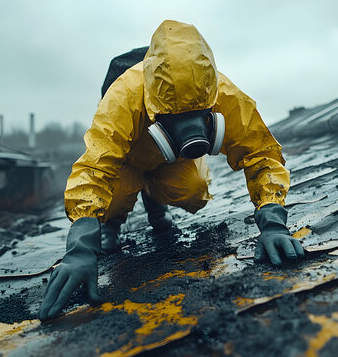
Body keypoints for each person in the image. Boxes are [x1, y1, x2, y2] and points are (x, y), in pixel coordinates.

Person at [39, 20, 304, 320]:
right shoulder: (124, 94)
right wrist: (81, 244)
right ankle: (112, 221)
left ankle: (154, 197)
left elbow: (262, 153)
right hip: (126, 165)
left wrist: (272, 222)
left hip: (170, 162)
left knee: (193, 189)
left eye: (198, 115)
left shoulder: (225, 94)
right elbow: (95, 166)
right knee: (111, 199)